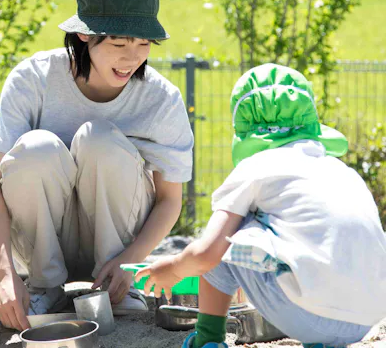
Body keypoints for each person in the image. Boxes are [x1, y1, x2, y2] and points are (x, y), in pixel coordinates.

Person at [0, 0, 194, 331]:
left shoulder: (162, 99)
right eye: (118, 43)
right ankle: (44, 286)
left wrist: (132, 260)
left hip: (120, 244)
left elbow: (169, 200)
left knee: (99, 138)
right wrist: (3, 275)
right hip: (40, 243)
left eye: (143, 43)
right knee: (35, 148)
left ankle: (115, 285)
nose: (132, 58)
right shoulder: (32, 78)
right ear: (84, 34)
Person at [136, 63, 386, 348]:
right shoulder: (339, 170)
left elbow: (207, 254)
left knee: (227, 236)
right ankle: (323, 340)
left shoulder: (256, 167)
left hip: (309, 316)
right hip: (367, 317)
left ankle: (208, 339)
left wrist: (174, 268)